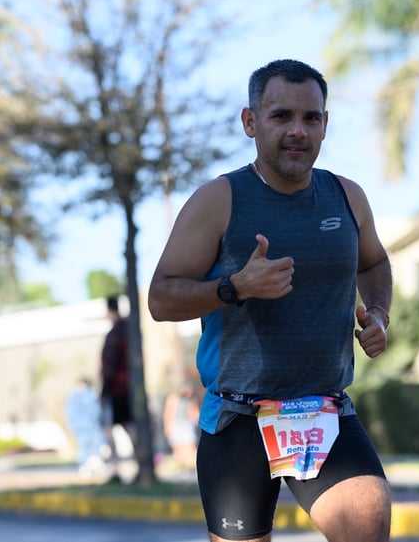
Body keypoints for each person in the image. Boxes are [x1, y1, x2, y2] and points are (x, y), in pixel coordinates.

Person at [148, 59, 393, 542]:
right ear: (250, 122)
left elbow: (374, 263)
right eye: (281, 116)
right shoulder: (219, 201)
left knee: (368, 518)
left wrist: (379, 313)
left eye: (311, 118)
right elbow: (160, 298)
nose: (298, 131)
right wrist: (234, 287)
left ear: (325, 124)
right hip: (238, 416)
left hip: (323, 410)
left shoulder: (348, 197)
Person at [100, 296, 136, 478]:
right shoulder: (128, 329)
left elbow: (110, 364)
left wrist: (105, 389)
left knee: (109, 429)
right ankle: (140, 463)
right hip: (127, 387)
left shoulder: (115, 333)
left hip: (115, 389)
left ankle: (114, 470)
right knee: (130, 427)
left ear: (109, 310)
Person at [65, 377, 106, 477]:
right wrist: (72, 425)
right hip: (81, 427)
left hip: (92, 426)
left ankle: (94, 465)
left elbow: (97, 411)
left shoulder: (92, 395)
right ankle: (84, 467)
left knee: (95, 446)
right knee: (83, 447)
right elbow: (70, 413)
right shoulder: (74, 397)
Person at [163, 381, 200, 470]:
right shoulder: (173, 398)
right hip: (176, 425)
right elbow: (168, 413)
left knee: (189, 446)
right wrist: (167, 426)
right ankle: (181, 467)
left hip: (187, 425)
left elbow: (195, 414)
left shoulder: (191, 400)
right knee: (178, 447)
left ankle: (190, 466)